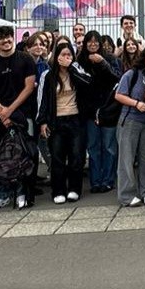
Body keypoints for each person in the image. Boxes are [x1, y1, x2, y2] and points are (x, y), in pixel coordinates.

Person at [0, 25, 39, 210]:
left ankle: (22, 192)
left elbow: (29, 87)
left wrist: (10, 110)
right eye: (1, 39)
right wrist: (1, 112)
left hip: (23, 114)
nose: (6, 41)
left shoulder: (26, 59)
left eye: (8, 38)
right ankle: (0, 194)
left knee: (24, 153)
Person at [37, 42, 94, 203]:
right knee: (57, 157)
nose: (65, 58)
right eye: (63, 55)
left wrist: (72, 68)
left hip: (75, 119)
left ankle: (75, 189)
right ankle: (58, 190)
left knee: (77, 156)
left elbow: (88, 83)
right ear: (56, 57)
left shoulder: (76, 71)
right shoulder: (48, 76)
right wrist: (42, 121)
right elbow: (43, 100)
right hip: (56, 120)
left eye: (69, 55)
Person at [114, 44, 145, 207]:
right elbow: (119, 95)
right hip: (130, 120)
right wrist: (136, 104)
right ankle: (127, 195)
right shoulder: (132, 74)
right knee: (126, 159)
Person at [78, 31, 120, 193]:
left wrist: (103, 63)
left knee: (109, 147)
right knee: (93, 147)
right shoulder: (80, 61)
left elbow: (117, 79)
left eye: (96, 42)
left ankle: (108, 180)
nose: (93, 44)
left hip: (108, 110)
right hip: (89, 112)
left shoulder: (109, 59)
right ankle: (95, 181)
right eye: (90, 41)